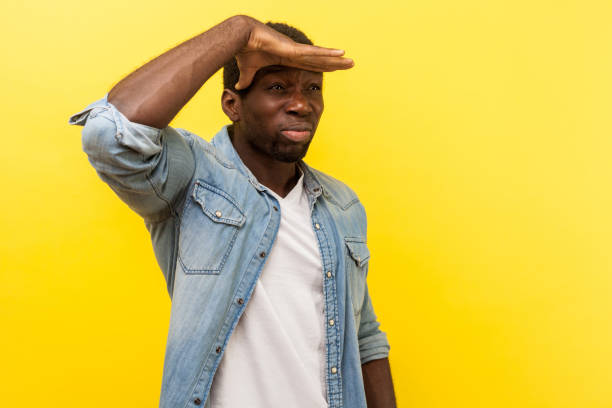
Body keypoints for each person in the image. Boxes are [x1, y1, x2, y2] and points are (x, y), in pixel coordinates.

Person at [68, 15, 395, 408]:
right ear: (232, 104)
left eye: (313, 88)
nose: (301, 104)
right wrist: (239, 31)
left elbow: (365, 339)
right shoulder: (192, 176)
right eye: (278, 87)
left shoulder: (342, 204)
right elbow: (109, 135)